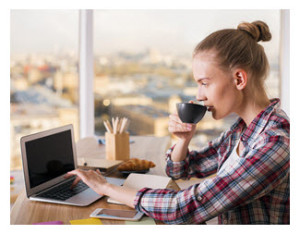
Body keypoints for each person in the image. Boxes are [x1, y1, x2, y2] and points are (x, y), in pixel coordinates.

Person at [65, 20, 290, 224]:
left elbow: (184, 208)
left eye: (204, 83)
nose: (199, 95)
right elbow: (180, 170)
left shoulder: (276, 144)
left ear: (239, 79)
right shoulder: (242, 130)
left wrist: (105, 187)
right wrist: (183, 141)